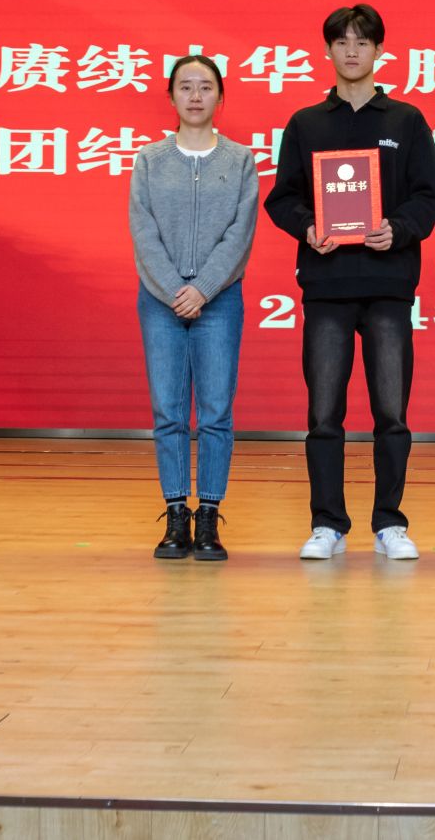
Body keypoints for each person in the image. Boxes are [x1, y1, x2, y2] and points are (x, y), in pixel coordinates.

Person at [264, 4, 435, 561]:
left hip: (389, 284)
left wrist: (399, 229)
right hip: (327, 286)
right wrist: (308, 226)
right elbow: (282, 197)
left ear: (379, 51)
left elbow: (429, 194)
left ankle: (390, 523)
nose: (351, 51)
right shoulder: (306, 123)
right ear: (327, 51)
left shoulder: (406, 121)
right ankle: (328, 524)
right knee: (324, 415)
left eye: (362, 42)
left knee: (391, 413)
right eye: (341, 41)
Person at [129, 55, 260, 563]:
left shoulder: (240, 160)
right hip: (159, 301)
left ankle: (208, 513)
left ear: (220, 97)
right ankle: (175, 514)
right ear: (171, 97)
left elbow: (240, 234)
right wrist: (173, 290)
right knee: (168, 410)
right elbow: (143, 232)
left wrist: (202, 288)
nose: (196, 96)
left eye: (205, 86)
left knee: (215, 411)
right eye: (185, 87)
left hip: (220, 300)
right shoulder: (149, 160)